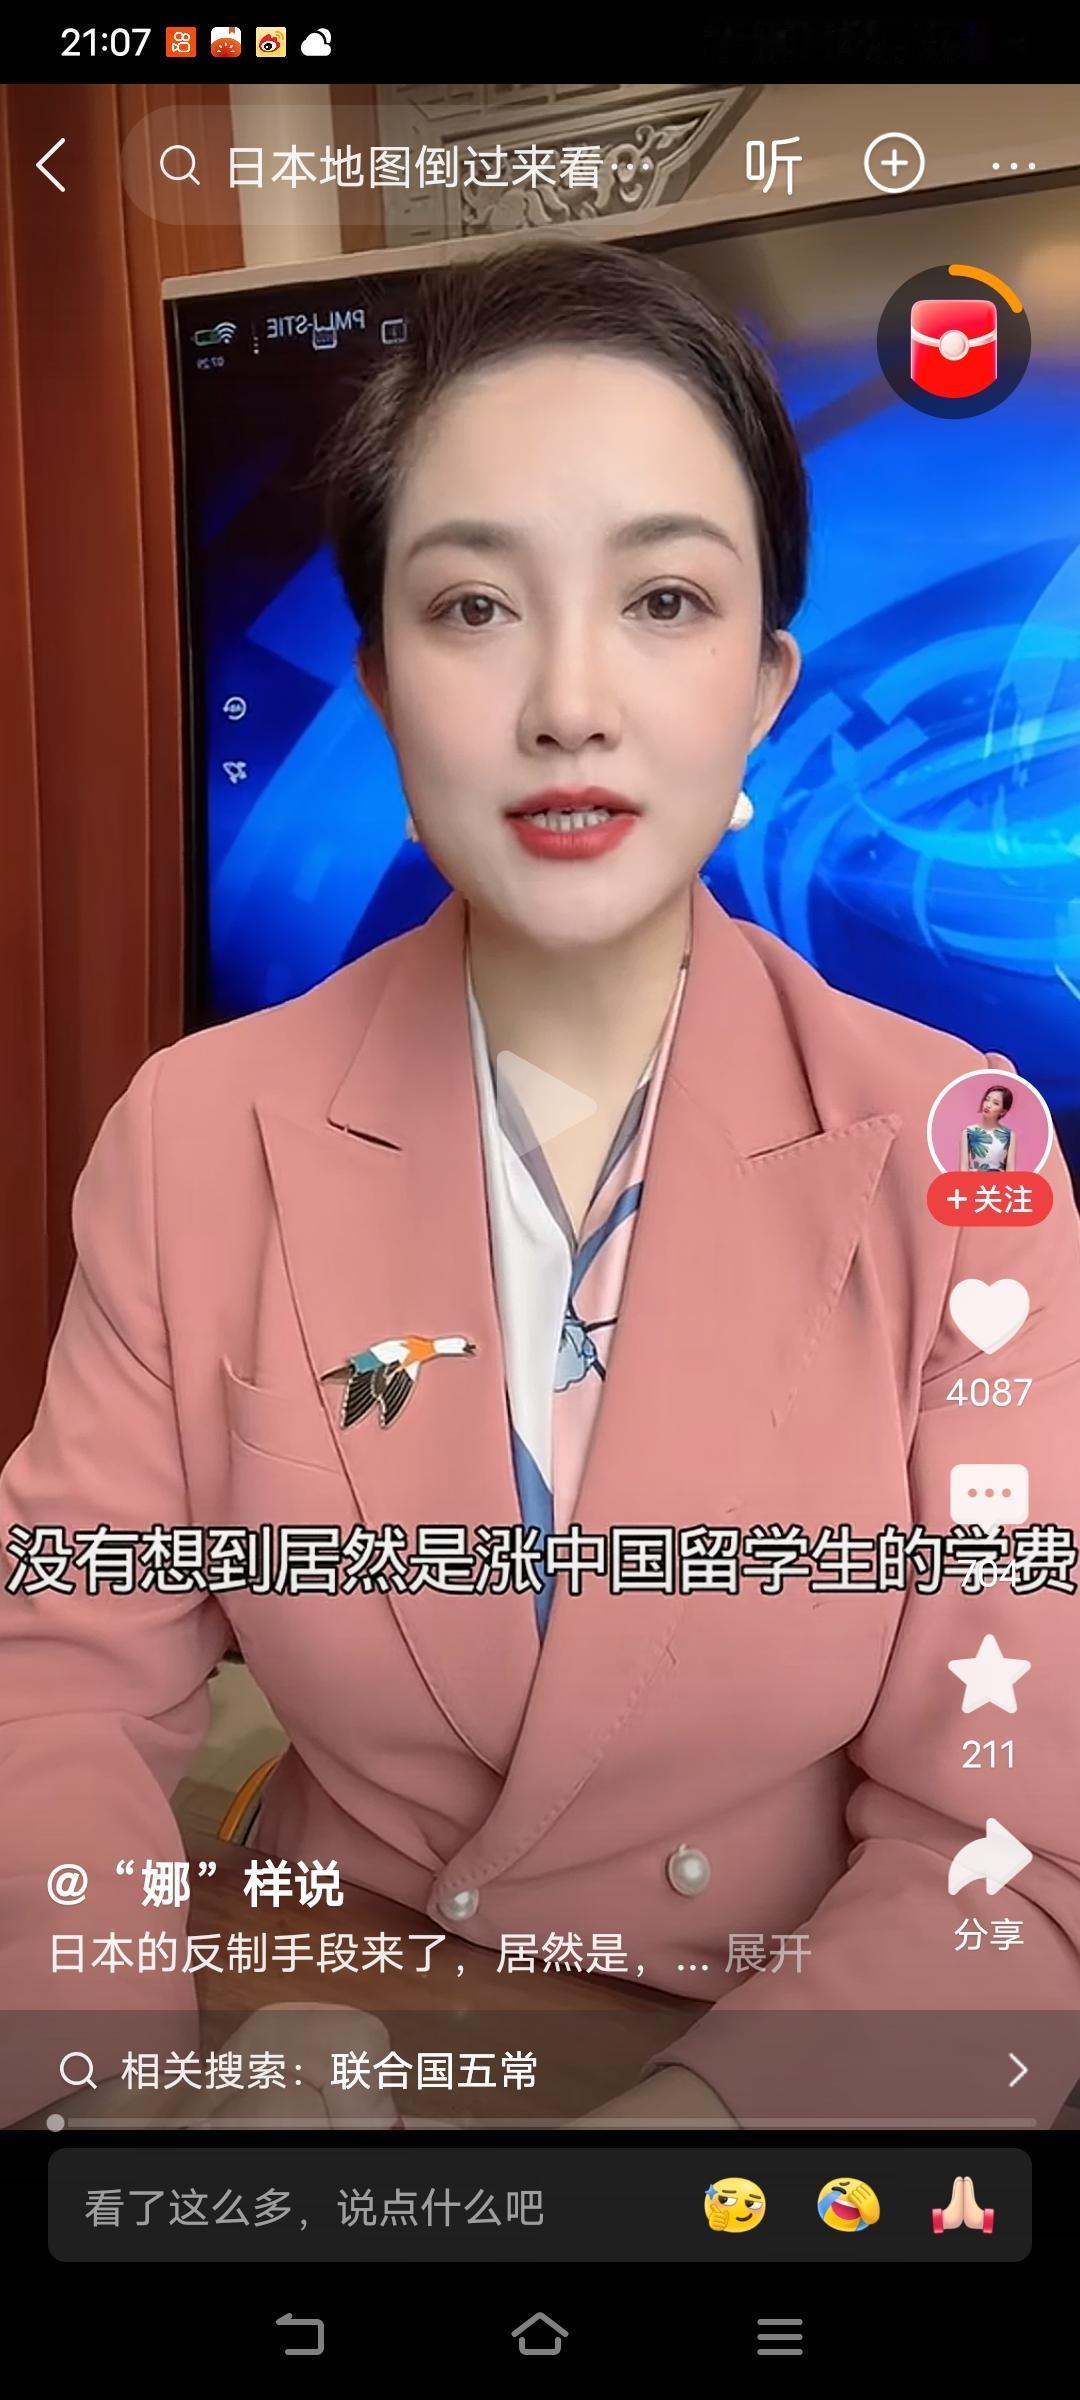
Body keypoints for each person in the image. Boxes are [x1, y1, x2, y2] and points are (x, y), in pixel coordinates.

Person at [2, 236, 1079, 2133]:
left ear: (765, 687)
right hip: (309, 2012)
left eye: (664, 599)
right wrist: (116, 2100)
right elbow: (59, 1684)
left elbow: (1012, 1839)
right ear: (378, 683)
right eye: (475, 606)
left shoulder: (960, 1156)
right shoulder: (197, 1130)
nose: (570, 703)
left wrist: (680, 2163)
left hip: (779, 2061)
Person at [960, 1084, 1016, 1172]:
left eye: (995, 1103)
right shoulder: (968, 1132)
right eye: (987, 1099)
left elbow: (1011, 1171)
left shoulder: (1008, 1135)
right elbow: (963, 1170)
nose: (988, 1105)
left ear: (1003, 1111)